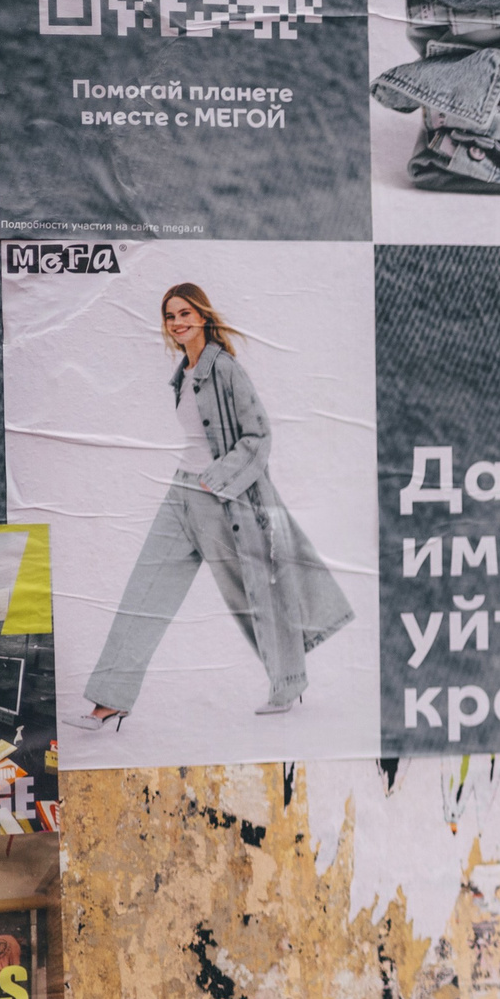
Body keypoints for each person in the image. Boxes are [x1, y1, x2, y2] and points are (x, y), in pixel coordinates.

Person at [72, 285, 352, 731]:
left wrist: (217, 478)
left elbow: (258, 434)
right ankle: (109, 701)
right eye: (170, 316)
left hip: (224, 498)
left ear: (202, 316)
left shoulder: (225, 368)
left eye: (185, 313)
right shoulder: (183, 374)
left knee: (256, 593)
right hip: (180, 493)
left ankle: (289, 681)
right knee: (144, 591)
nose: (177, 323)